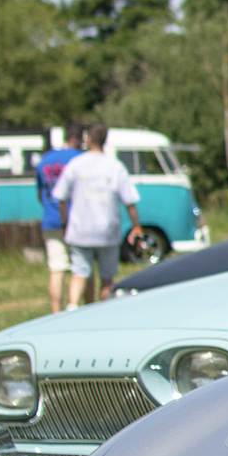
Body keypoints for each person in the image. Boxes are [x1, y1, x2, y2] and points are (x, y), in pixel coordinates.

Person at [52, 123, 142, 307]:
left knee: (79, 273)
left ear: (88, 139)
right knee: (107, 277)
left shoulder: (76, 164)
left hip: (80, 228)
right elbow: (129, 201)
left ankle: (73, 306)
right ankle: (104, 310)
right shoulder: (115, 166)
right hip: (107, 230)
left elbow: (60, 197)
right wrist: (136, 226)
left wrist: (64, 223)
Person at [35, 122, 85, 313]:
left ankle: (56, 314)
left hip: (50, 219)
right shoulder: (80, 158)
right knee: (82, 267)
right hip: (76, 220)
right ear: (75, 139)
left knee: (56, 269)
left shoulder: (45, 160)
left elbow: (40, 195)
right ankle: (84, 308)